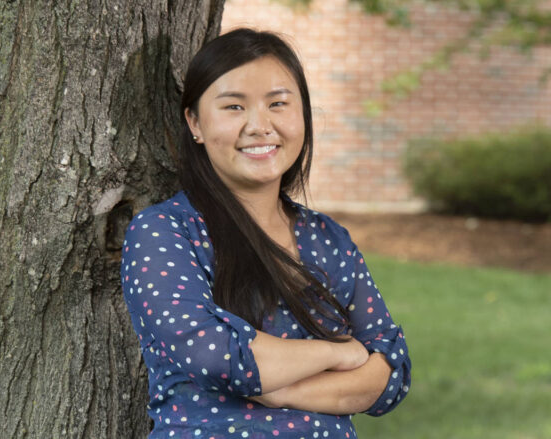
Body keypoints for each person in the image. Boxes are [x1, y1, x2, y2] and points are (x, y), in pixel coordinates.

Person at [120, 28, 410, 438]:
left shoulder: (328, 239)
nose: (260, 126)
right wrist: (337, 353)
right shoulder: (164, 232)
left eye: (278, 104)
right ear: (195, 122)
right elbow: (215, 356)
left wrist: (284, 390)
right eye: (234, 106)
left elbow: (390, 371)